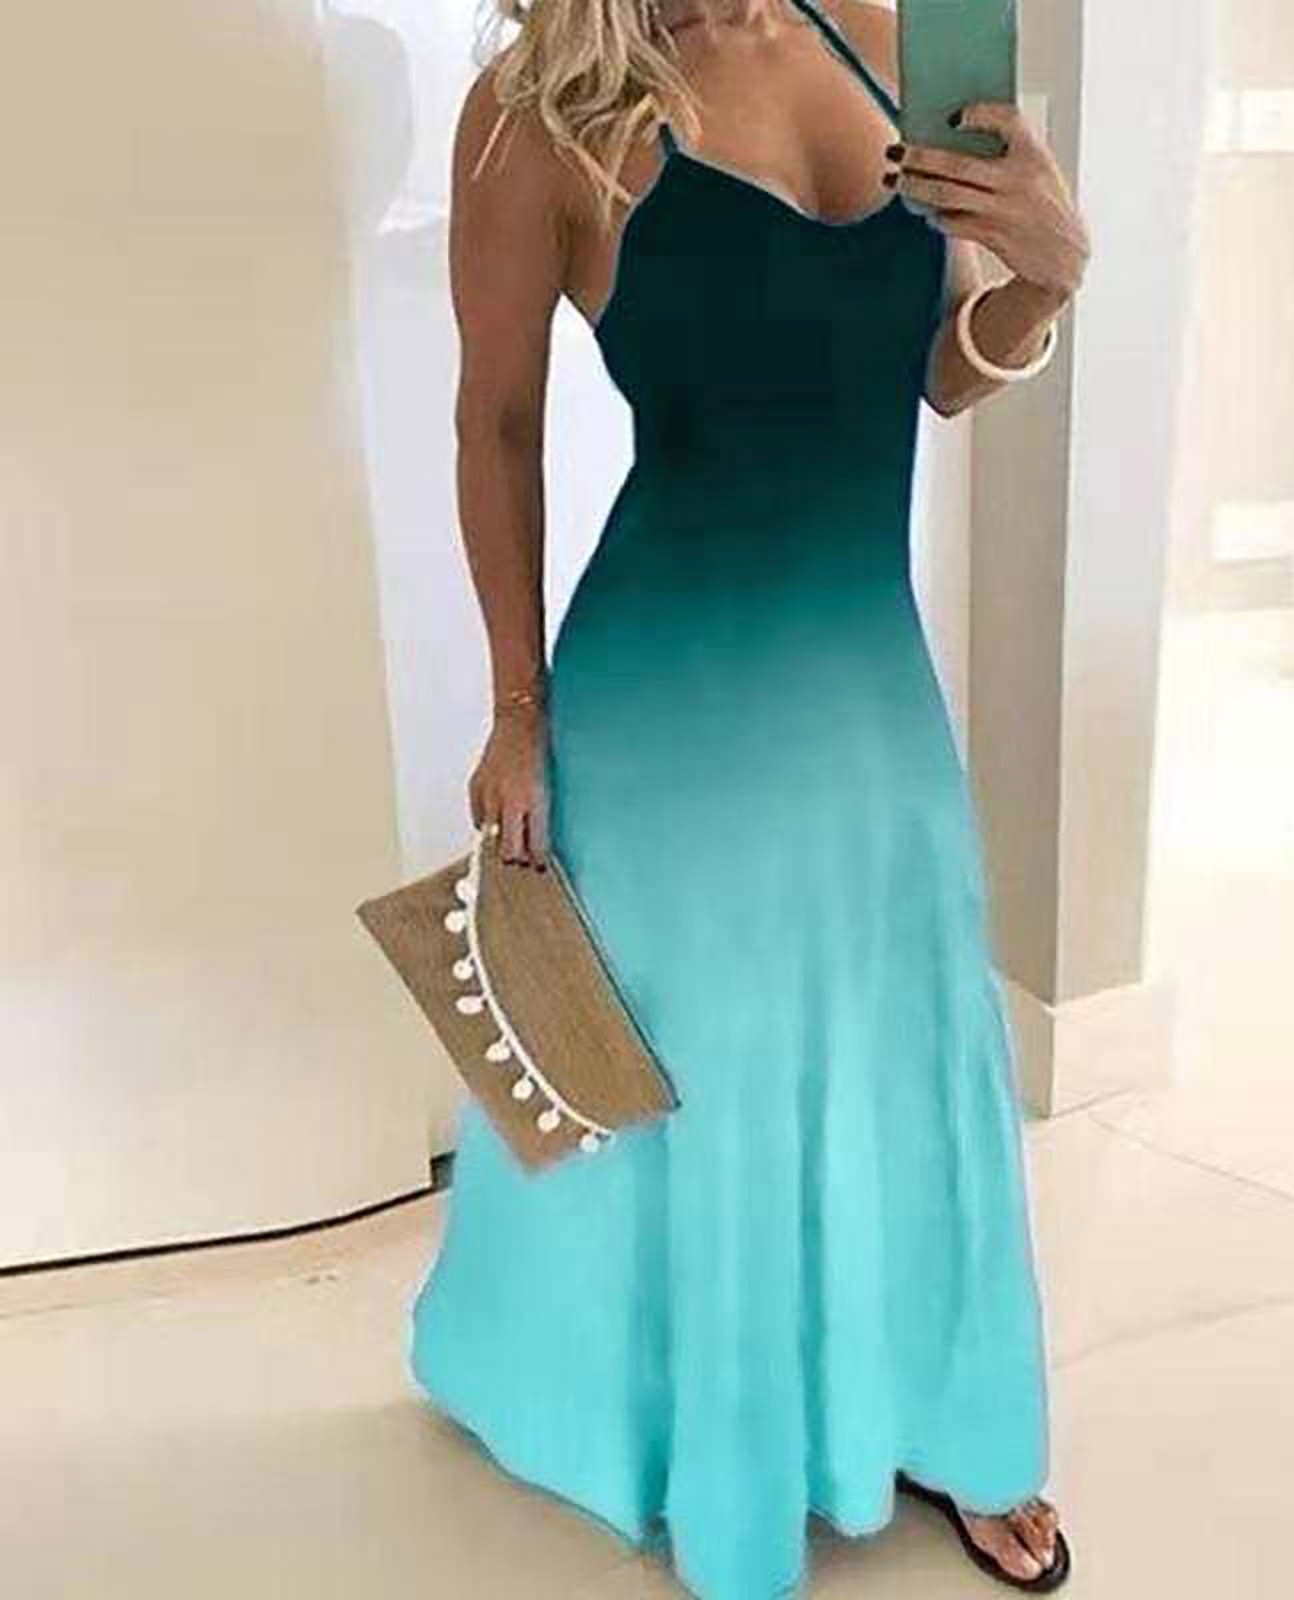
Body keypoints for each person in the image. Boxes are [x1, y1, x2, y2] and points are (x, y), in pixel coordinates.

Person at [409, 1, 1091, 1594]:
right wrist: (516, 709)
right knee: (709, 1076)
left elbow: (936, 375)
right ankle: (724, 1451)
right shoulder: (544, 103)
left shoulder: (899, 46)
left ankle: (943, 1416)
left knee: (907, 1052)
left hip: (868, 685)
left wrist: (1047, 279)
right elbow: (494, 420)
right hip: (668, 698)